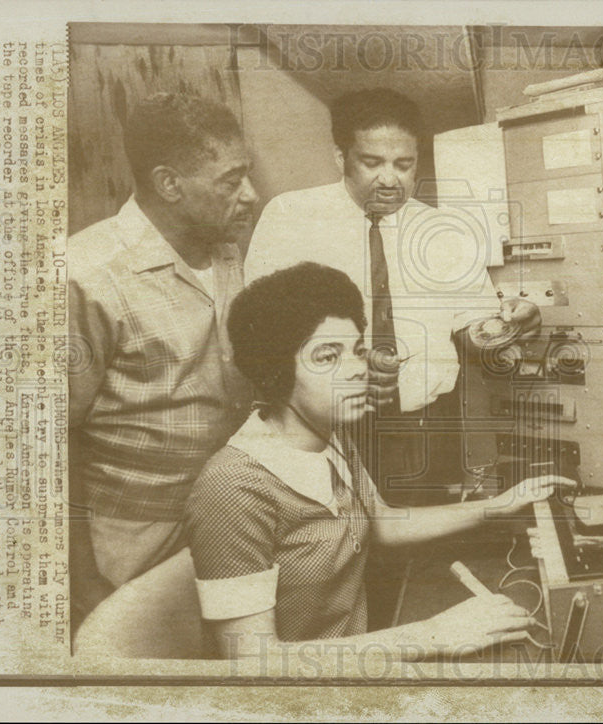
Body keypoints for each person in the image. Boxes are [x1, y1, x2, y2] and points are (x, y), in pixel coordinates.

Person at [184, 263, 572, 657]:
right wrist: (434, 635)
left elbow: (382, 522)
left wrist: (500, 505)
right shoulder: (232, 489)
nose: (356, 371)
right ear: (274, 373)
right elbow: (251, 660)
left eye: (355, 351)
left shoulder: (330, 434)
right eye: (326, 357)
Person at [244, 88, 542, 500]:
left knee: (421, 547)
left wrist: (509, 326)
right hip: (323, 432)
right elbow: (258, 338)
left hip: (424, 433)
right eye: (372, 162)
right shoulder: (289, 218)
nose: (390, 178)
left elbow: (473, 335)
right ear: (339, 157)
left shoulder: (445, 231)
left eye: (404, 164)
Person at [68, 93, 259, 625]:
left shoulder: (223, 248)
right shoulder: (86, 275)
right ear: (169, 184)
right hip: (129, 542)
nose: (251, 195)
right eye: (231, 180)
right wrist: (82, 582)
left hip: (220, 516)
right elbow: (48, 442)